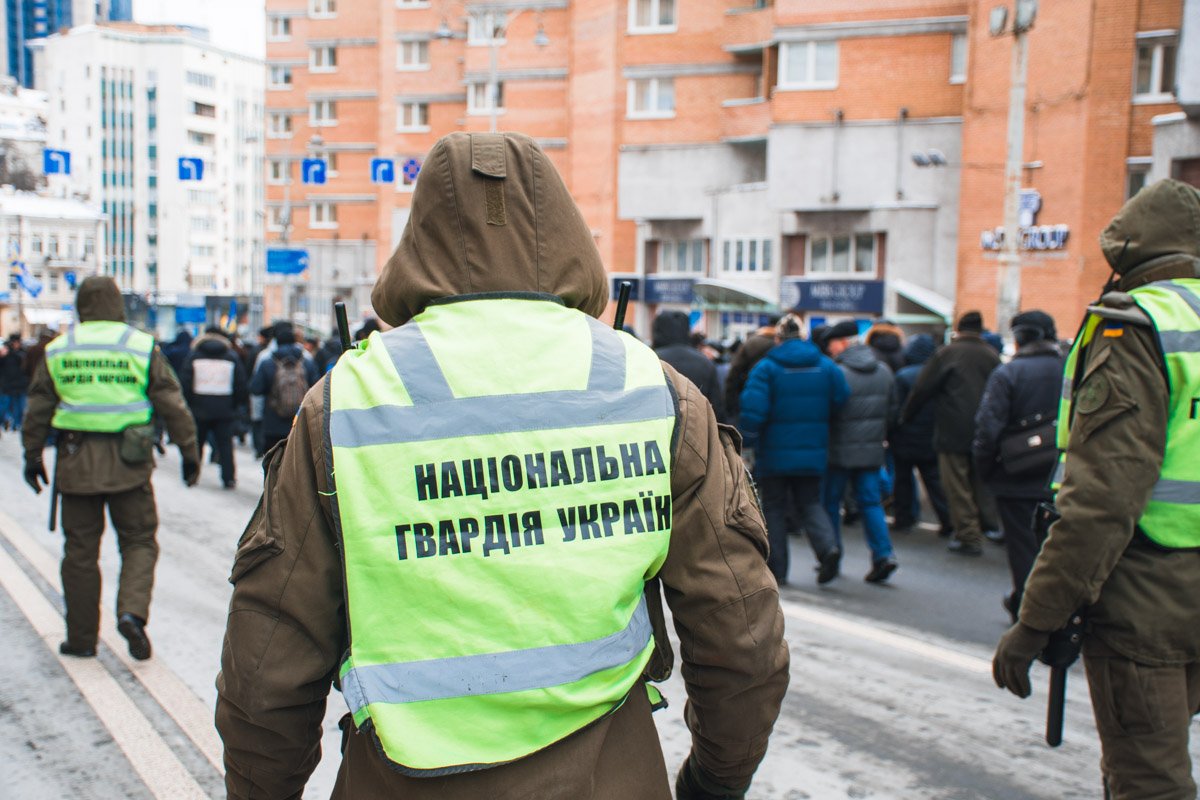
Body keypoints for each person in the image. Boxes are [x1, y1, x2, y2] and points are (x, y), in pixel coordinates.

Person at [216, 133, 789, 800]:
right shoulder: (650, 388)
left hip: (398, 780)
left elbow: (268, 661)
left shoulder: (347, 399)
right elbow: (742, 637)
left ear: (421, 233)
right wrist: (715, 782)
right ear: (564, 228)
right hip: (611, 777)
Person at [993, 179, 1200, 799]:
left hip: (1151, 596)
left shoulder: (1136, 327)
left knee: (1149, 782)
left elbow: (1101, 503)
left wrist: (1034, 623)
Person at [21, 276, 199, 660]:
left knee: (80, 553)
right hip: (130, 464)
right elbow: (171, 401)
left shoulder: (59, 349)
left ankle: (81, 639)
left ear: (81, 305)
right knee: (138, 541)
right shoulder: (139, 345)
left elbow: (37, 408)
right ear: (118, 304)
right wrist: (189, 451)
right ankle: (132, 613)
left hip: (75, 463)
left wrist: (32, 456)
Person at [738, 313, 847, 585]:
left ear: (777, 339)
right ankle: (827, 548)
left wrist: (748, 441)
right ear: (803, 337)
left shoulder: (766, 368)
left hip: (774, 451)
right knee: (810, 502)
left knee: (774, 507)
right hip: (813, 449)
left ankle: (778, 569)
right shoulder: (826, 366)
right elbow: (842, 397)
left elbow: (753, 410)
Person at [972, 311, 1063, 621]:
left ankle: (1028, 609)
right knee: (1058, 547)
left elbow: (988, 428)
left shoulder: (1009, 374)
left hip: (1017, 475)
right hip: (1064, 473)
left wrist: (985, 470)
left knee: (1024, 547)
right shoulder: (1070, 369)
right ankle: (1060, 608)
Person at [900, 311, 1000, 556]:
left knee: (956, 485)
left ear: (958, 328)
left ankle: (968, 535)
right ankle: (990, 525)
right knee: (980, 483)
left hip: (952, 429)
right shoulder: (992, 356)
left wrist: (906, 417)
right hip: (984, 430)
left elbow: (922, 389)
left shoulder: (946, 353)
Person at [823, 320, 899, 583]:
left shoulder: (836, 372)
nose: (830, 348)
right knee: (870, 503)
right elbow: (892, 412)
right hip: (871, 451)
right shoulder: (883, 371)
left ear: (843, 342)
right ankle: (884, 555)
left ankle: (831, 554)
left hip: (838, 451)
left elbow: (828, 412)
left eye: (832, 343)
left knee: (831, 503)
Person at [890, 334, 952, 535]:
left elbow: (896, 409)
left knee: (903, 481)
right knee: (934, 481)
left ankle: (904, 519)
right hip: (930, 436)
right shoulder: (939, 374)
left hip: (904, 437)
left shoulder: (903, 376)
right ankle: (947, 519)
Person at [180, 327, 249, 489]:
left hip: (198, 407)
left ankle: (191, 475)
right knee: (225, 445)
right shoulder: (231, 356)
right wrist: (234, 405)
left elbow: (185, 383)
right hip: (224, 408)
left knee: (196, 443)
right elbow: (240, 384)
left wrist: (189, 404)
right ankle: (228, 477)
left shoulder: (194, 356)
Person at [248, 321, 318, 454]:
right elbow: (316, 386)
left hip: (272, 422)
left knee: (272, 462)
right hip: (300, 421)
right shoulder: (306, 361)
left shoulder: (267, 361)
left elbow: (255, 389)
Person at [652, 310, 725, 422]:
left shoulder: (651, 359)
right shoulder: (705, 362)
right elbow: (717, 407)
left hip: (659, 428)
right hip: (696, 427)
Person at [722, 315, 780, 423]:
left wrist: (730, 404)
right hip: (777, 400)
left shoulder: (751, 342)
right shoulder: (783, 344)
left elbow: (734, 372)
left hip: (749, 396)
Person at [0, 333, 29, 430]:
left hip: (20, 384)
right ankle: (7, 422)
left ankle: (16, 424)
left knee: (19, 407)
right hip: (7, 385)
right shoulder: (5, 354)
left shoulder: (22, 353)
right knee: (6, 406)